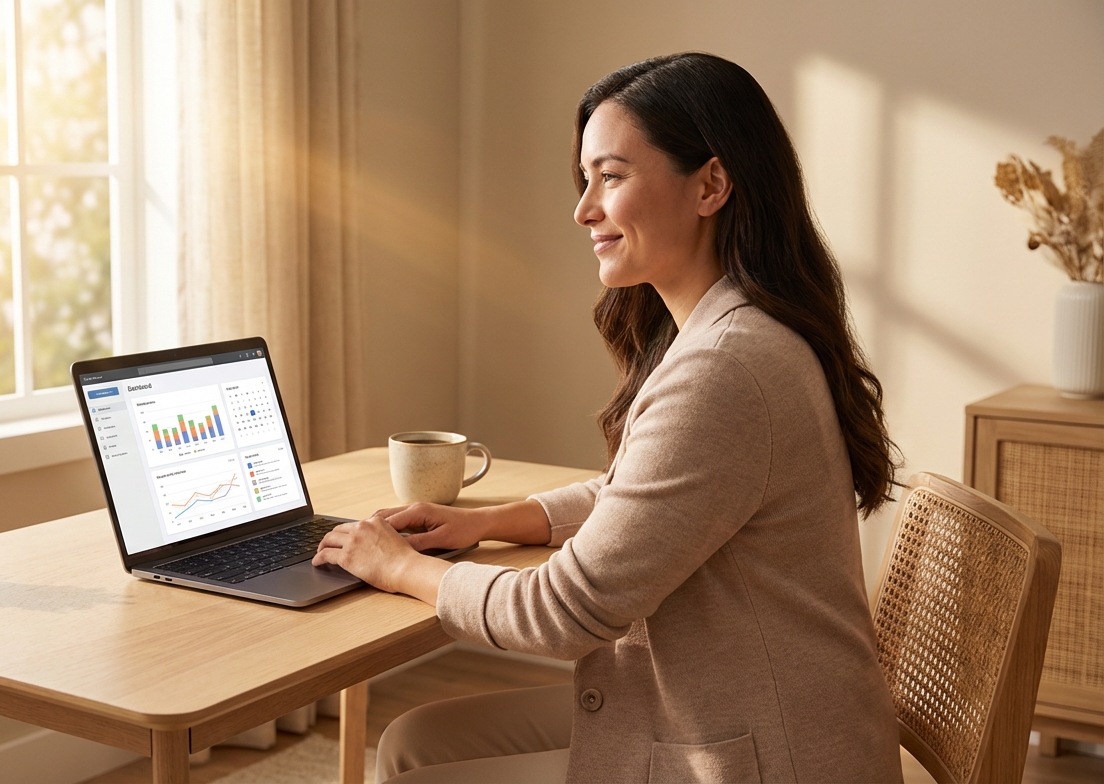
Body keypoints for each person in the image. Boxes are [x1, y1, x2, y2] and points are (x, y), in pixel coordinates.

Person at [313, 52, 904, 784]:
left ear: (711, 184)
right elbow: (646, 495)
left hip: (764, 754)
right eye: (585, 179)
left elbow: (566, 611)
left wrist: (400, 568)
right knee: (414, 742)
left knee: (416, 770)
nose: (584, 208)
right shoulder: (736, 334)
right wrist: (490, 522)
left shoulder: (726, 368)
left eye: (612, 177)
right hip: (743, 710)